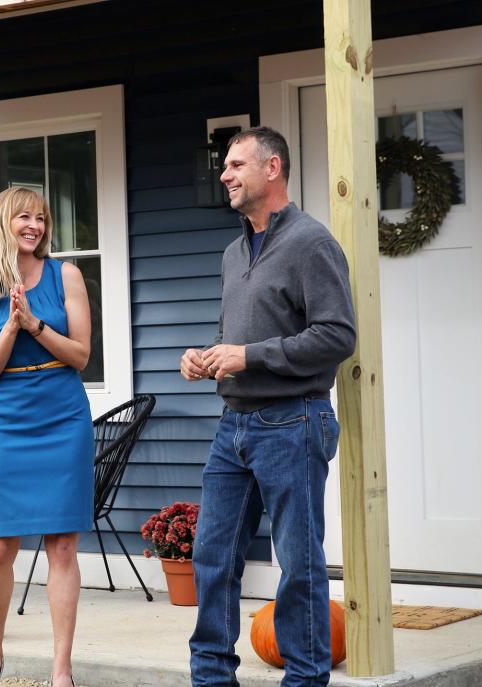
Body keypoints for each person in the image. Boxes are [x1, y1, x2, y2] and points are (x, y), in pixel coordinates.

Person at [181, 127, 356, 687]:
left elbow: (336, 336)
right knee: (211, 557)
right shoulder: (234, 253)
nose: (225, 175)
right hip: (233, 426)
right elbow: (233, 335)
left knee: (299, 567)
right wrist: (205, 358)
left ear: (272, 168)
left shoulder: (312, 243)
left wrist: (249, 356)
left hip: (293, 420)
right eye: (225, 166)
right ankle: (211, 678)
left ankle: (306, 680)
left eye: (236, 165)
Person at [0, 186, 93, 687]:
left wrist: (34, 323)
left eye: (41, 218)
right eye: (24, 217)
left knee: (62, 547)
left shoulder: (67, 275)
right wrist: (11, 329)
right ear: (3, 222)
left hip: (62, 414)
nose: (35, 225)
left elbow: (80, 356)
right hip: (8, 417)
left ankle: (61, 670)